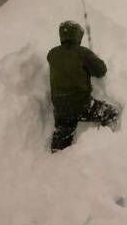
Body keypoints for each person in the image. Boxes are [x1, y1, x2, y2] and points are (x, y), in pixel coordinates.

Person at [47, 21, 119, 153]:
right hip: (82, 106)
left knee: (61, 144)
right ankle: (108, 147)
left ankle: (56, 162)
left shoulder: (52, 54)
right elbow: (101, 70)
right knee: (112, 113)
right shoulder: (83, 53)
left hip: (60, 108)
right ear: (78, 36)